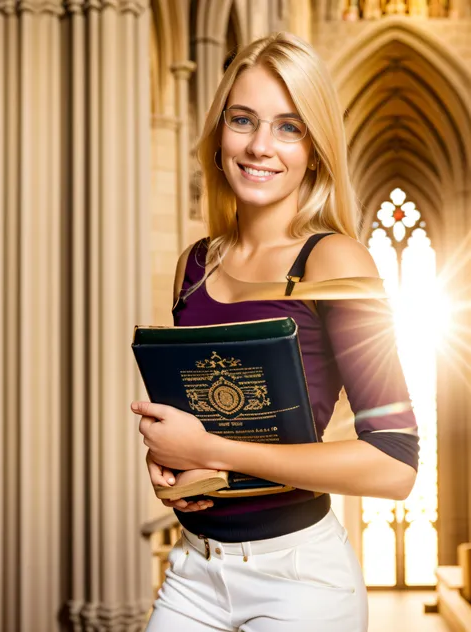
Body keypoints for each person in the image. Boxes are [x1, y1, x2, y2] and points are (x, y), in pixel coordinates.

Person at [131, 31, 419, 632]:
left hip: (300, 582)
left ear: (314, 148)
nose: (261, 146)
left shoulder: (335, 261)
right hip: (194, 570)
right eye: (244, 120)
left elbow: (395, 464)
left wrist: (209, 451)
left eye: (289, 127)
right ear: (219, 134)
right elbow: (209, 421)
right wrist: (173, 468)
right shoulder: (195, 264)